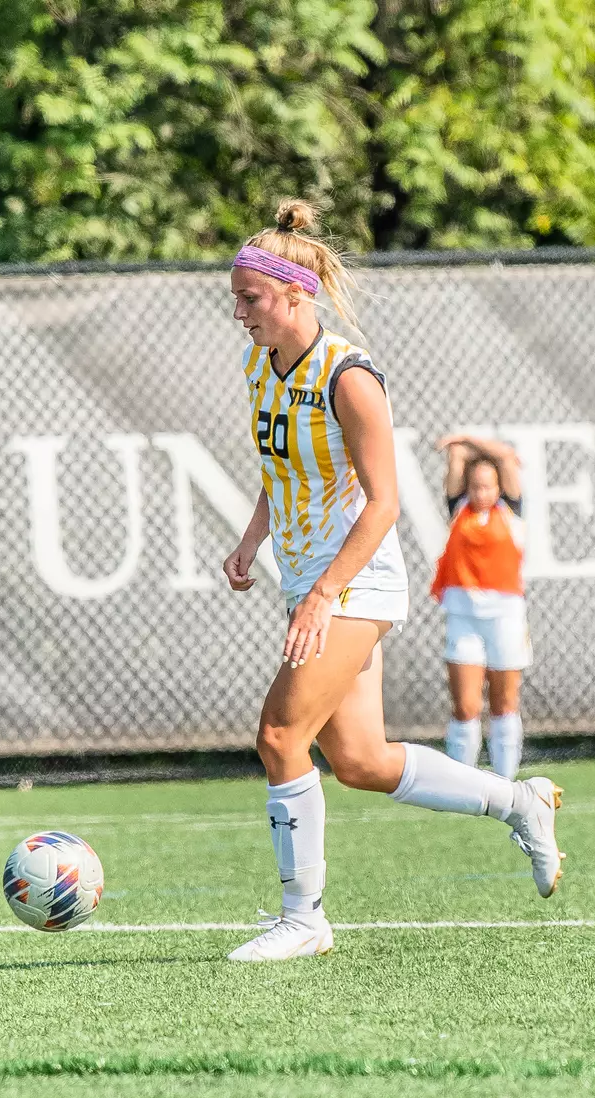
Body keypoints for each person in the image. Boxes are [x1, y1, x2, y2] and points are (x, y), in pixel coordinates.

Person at [220, 198, 564, 963]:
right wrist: (253, 539)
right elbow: (281, 469)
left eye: (249, 298)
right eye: (235, 296)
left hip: (355, 581)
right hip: (311, 577)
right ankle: (518, 801)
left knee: (280, 738)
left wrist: (321, 594)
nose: (236, 310)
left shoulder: (348, 377)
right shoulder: (259, 361)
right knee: (362, 762)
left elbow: (384, 505)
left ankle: (304, 918)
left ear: (295, 295)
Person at [432, 435, 530, 778]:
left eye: (488, 486)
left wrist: (464, 438)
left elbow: (505, 455)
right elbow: (456, 458)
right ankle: (463, 781)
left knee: (504, 704)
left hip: (505, 617)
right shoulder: (460, 510)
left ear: (499, 487)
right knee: (466, 706)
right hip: (464, 617)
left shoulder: (512, 511)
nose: (481, 493)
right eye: (475, 486)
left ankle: (506, 781)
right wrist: (460, 450)